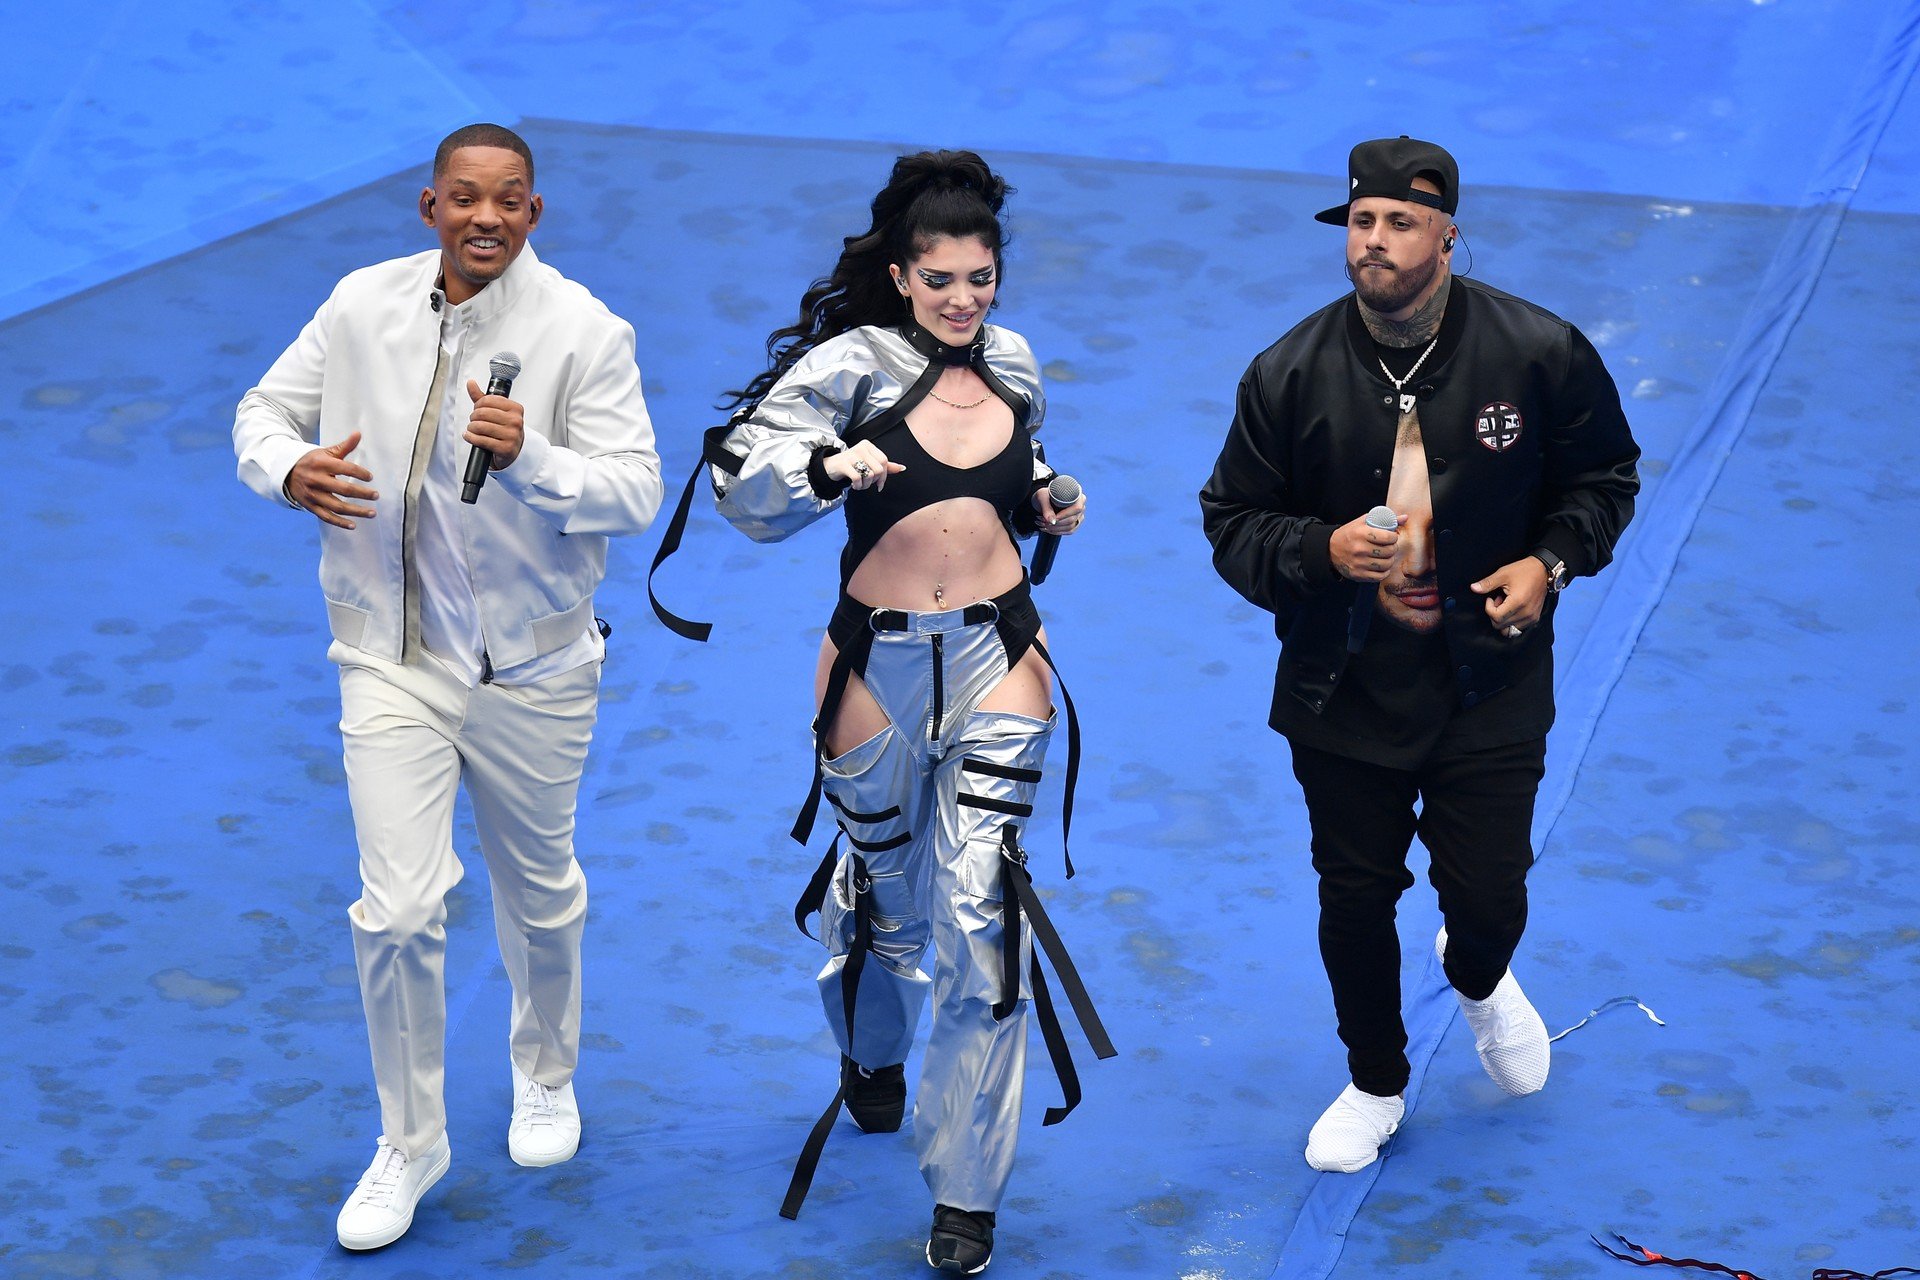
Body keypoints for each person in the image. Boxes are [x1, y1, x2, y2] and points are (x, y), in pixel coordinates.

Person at [232, 123, 663, 1249]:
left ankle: (545, 1071)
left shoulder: (584, 330)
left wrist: (533, 460)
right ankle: (409, 1139)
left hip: (535, 669)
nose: (486, 217)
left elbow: (636, 491)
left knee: (540, 891)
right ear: (430, 207)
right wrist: (288, 469)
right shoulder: (358, 304)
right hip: (390, 661)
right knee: (397, 909)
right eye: (465, 197)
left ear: (534, 213)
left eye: (509, 199)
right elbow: (261, 413)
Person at [696, 149, 1109, 1274]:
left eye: (982, 279)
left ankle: (967, 1191)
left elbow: (1015, 472)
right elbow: (740, 485)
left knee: (986, 911)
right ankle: (872, 1052)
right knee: (890, 903)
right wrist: (826, 471)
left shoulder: (1015, 363)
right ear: (900, 275)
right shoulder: (851, 367)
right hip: (872, 666)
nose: (964, 300)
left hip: (999, 654)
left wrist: (1046, 498)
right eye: (941, 281)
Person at [1200, 136, 1640, 1174]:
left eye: (1401, 222)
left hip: (1489, 680)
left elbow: (1605, 479)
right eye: (1363, 220)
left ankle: (1478, 974)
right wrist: (1319, 550)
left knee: (1488, 899)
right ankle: (1375, 1080)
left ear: (1448, 235)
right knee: (1353, 896)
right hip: (1343, 689)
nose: (1376, 241)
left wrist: (1550, 563)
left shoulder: (1539, 352)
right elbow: (1232, 522)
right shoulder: (1287, 373)